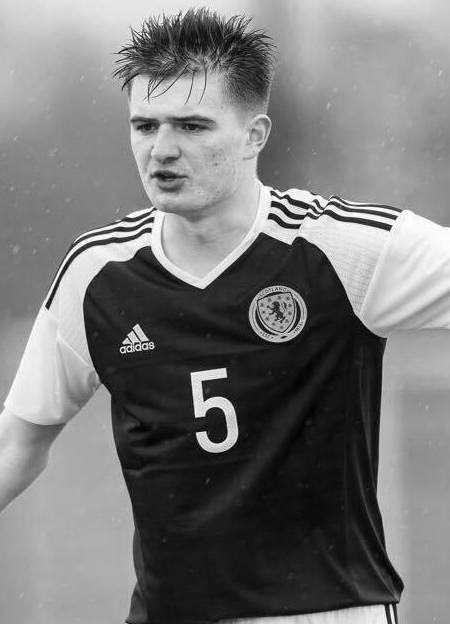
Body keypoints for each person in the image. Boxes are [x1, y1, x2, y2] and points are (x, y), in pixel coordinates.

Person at [1, 8, 449, 624]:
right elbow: (19, 440)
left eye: (192, 125)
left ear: (254, 135)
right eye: (145, 125)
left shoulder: (342, 249)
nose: (162, 149)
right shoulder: (98, 276)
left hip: (329, 612)